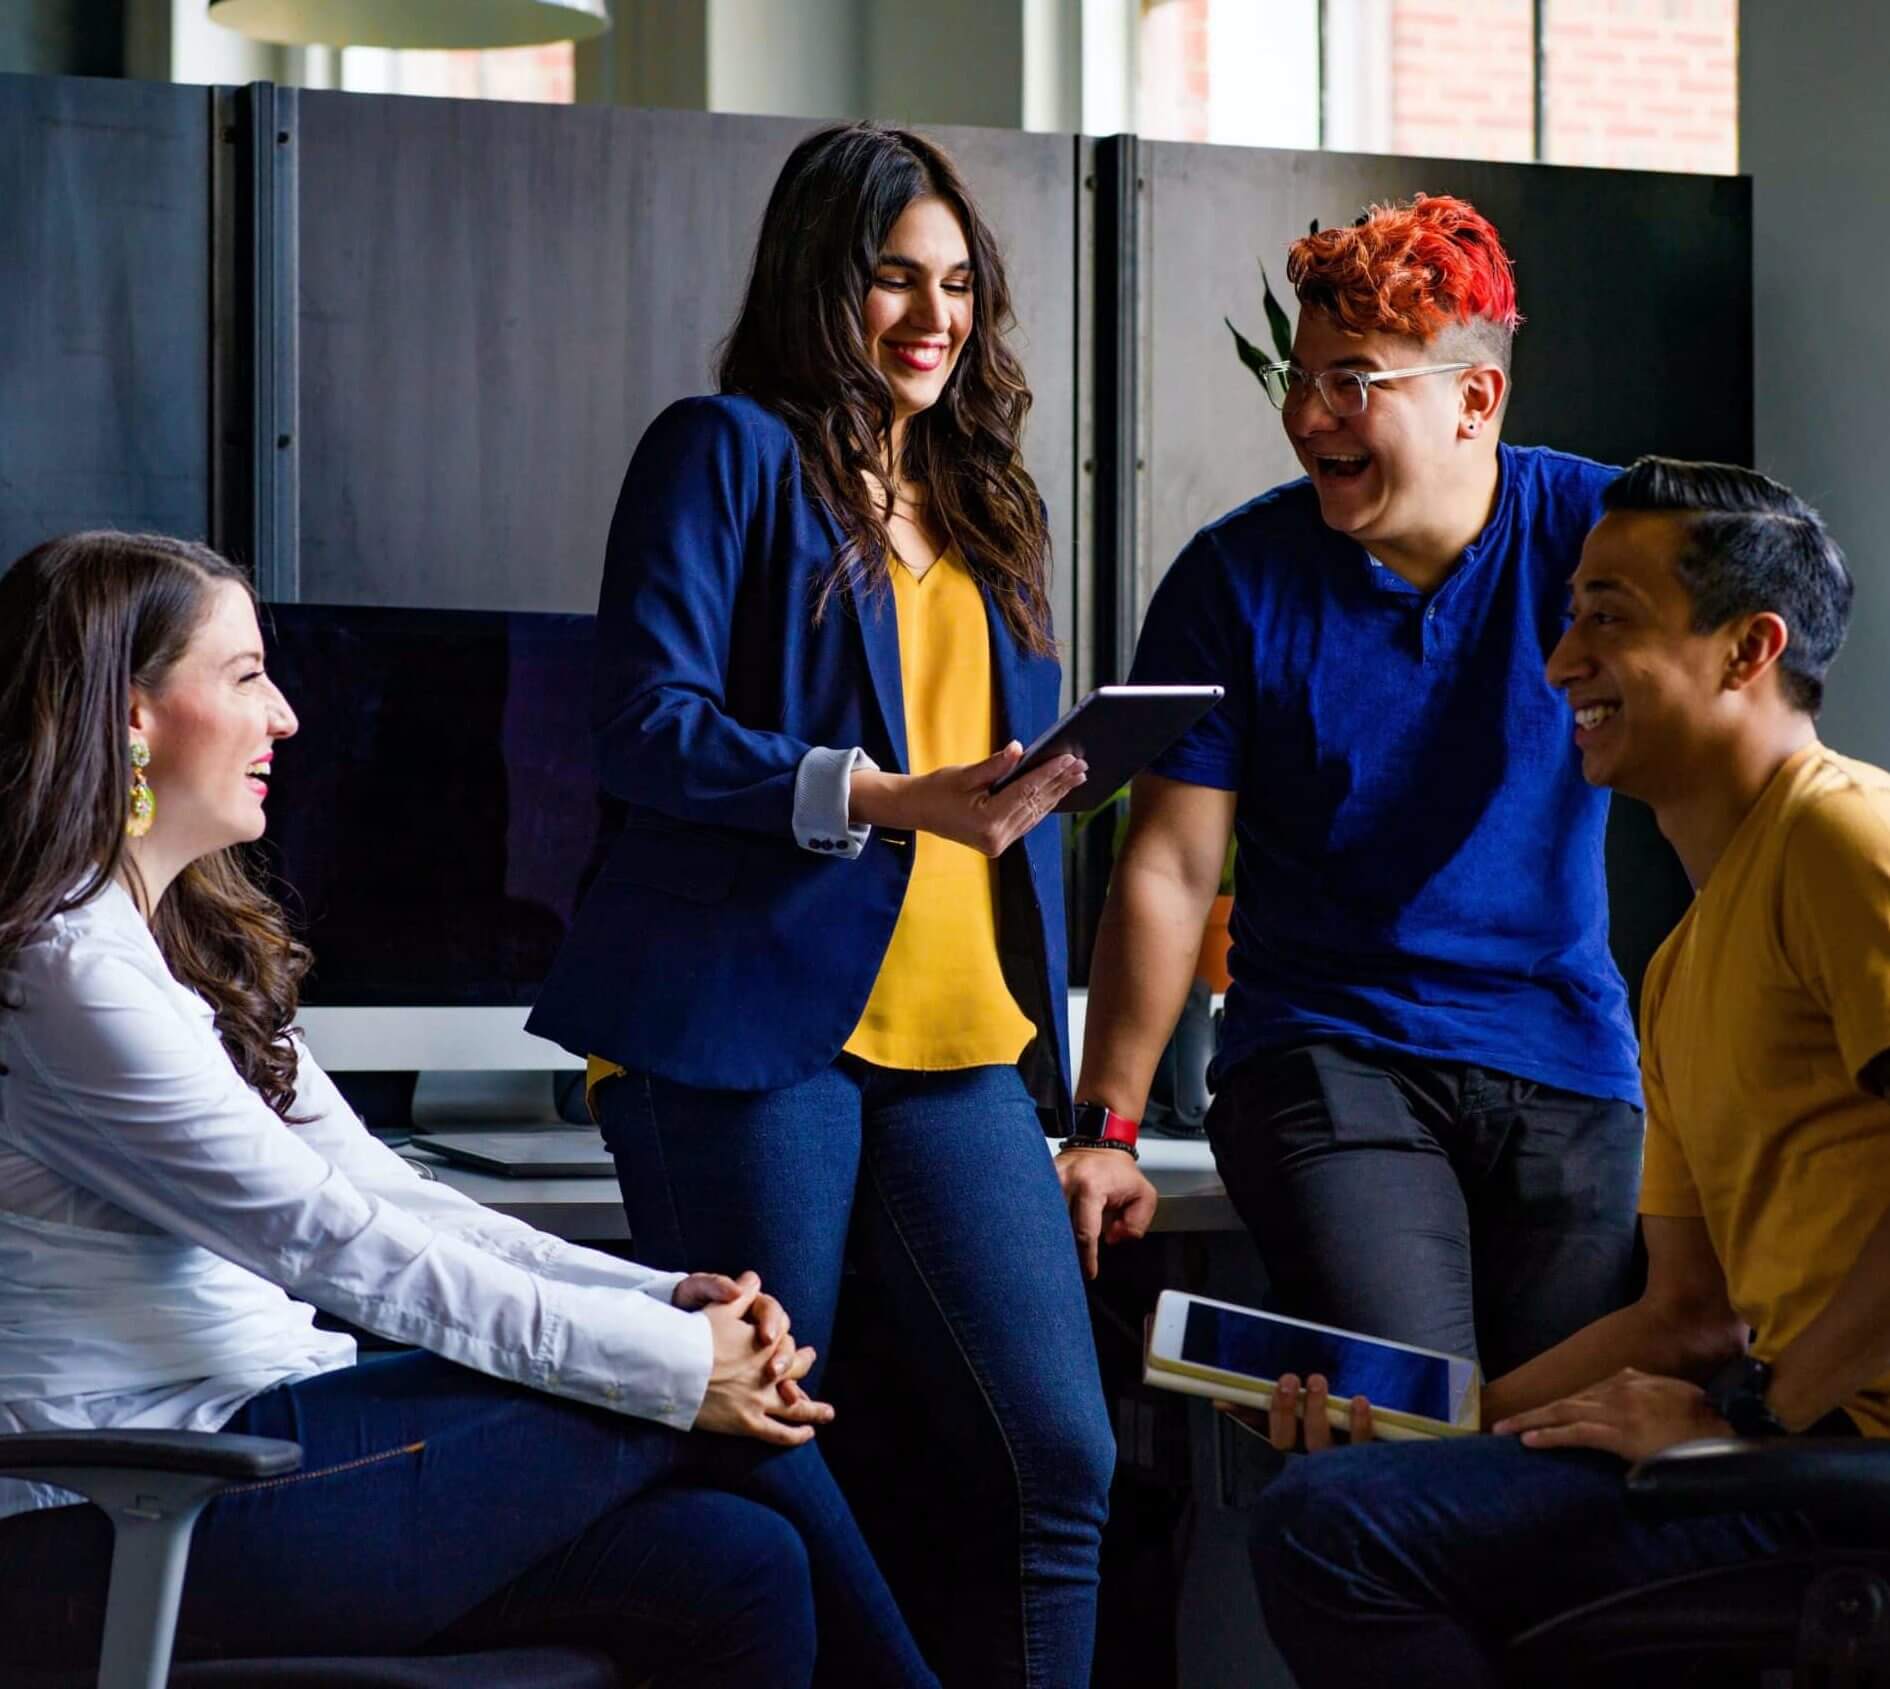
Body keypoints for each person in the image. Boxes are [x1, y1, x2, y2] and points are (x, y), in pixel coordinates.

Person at [0, 531, 935, 1687]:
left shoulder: (175, 950)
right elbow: (328, 1239)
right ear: (128, 718)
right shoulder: (65, 973)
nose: (286, 716)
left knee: (736, 1566)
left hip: (260, 1447)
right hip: (125, 1512)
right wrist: (678, 1362)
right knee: (673, 1399)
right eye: (245, 676)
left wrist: (655, 1298)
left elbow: (390, 1192)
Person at [525, 123, 1115, 1687]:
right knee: (766, 1434)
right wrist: (879, 792)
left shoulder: (982, 500)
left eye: (956, 286)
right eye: (890, 280)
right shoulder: (723, 450)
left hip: (959, 1034)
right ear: (817, 281)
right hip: (744, 1027)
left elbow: (974, 781)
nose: (932, 317)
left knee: (1061, 1457)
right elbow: (643, 724)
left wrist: (1039, 783)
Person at [1249, 457, 1888, 1685]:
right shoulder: (1681, 962)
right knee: (1353, 1493)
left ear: (1746, 649)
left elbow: (1733, 1368)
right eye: (1566, 616)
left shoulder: (1840, 836)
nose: (1561, 664)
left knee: (1333, 1538)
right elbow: (1684, 1313)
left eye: (1610, 619)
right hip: (1794, 1451)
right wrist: (1421, 1431)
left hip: (1842, 1477)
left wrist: (1752, 1422)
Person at [1063, 194, 1643, 1384]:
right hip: (1330, 1056)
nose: (1305, 415)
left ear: (1474, 401)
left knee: (1561, 1456)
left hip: (1566, 1058)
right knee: (1417, 1417)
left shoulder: (1604, 536)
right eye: (1302, 377)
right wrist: (1107, 1130)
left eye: (1353, 382)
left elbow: (1754, 693)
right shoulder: (1235, 581)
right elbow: (1171, 868)